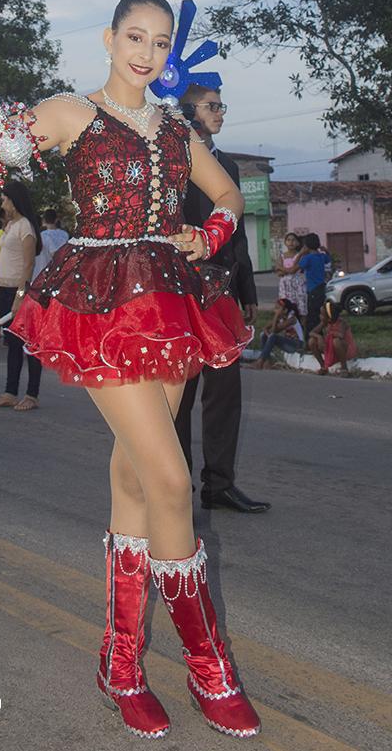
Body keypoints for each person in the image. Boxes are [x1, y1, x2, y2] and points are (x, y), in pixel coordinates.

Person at [0, 0, 260, 739]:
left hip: (172, 303)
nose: (147, 52)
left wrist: (207, 236)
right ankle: (208, 666)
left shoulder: (177, 128)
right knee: (171, 475)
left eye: (159, 42)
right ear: (110, 39)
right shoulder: (70, 112)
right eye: (134, 37)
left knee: (135, 479)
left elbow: (226, 198)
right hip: (100, 304)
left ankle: (118, 660)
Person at [173, 84, 269, 517]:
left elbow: (238, 236)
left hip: (222, 292)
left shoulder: (226, 164)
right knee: (180, 395)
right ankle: (175, 488)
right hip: (179, 292)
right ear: (189, 112)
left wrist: (246, 290)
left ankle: (220, 484)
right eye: (212, 107)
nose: (221, 113)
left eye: (220, 106)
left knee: (226, 392)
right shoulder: (170, 159)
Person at [0, 180, 42, 410]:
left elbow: (28, 265)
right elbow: (5, 260)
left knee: (29, 345)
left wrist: (20, 296)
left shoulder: (25, 226)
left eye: (3, 199)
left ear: (13, 199)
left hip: (22, 291)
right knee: (13, 344)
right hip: (6, 289)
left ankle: (31, 395)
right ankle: (10, 392)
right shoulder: (11, 226)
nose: (2, 204)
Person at [251, 297, 305, 368]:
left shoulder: (291, 319)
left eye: (277, 308)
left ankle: (260, 361)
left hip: (296, 345)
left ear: (285, 310)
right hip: (288, 343)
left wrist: (276, 316)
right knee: (263, 335)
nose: (275, 311)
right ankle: (267, 361)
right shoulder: (282, 318)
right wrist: (268, 334)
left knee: (273, 336)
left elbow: (273, 331)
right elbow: (265, 328)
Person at [307, 300, 357, 375]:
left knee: (336, 341)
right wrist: (319, 337)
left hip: (344, 350)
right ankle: (323, 366)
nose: (319, 316)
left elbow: (341, 335)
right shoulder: (324, 323)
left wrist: (330, 333)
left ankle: (344, 368)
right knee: (312, 341)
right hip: (330, 348)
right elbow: (311, 333)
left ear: (329, 318)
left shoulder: (341, 323)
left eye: (322, 315)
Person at [299, 233, 329, 341]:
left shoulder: (308, 258)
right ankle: (320, 334)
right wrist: (325, 250)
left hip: (312, 290)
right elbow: (328, 259)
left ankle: (311, 338)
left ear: (306, 246)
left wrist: (301, 253)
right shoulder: (321, 256)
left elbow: (299, 266)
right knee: (319, 313)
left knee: (311, 316)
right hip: (321, 288)